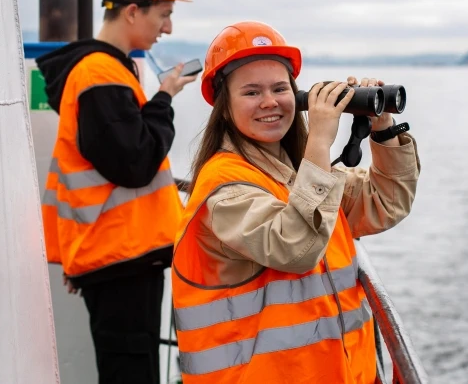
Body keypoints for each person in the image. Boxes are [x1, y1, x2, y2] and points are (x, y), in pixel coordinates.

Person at [170, 21, 421, 383]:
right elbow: (295, 248)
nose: (270, 102)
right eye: (252, 92)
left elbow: (385, 203)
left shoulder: (290, 173)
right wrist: (320, 138)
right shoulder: (224, 188)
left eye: (279, 88)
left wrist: (384, 127)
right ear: (224, 108)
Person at [35, 0, 196, 384]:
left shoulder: (106, 72)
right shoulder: (100, 76)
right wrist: (164, 99)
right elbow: (136, 163)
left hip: (116, 255)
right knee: (130, 371)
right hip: (119, 258)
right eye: (162, 14)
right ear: (131, 11)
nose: (168, 27)